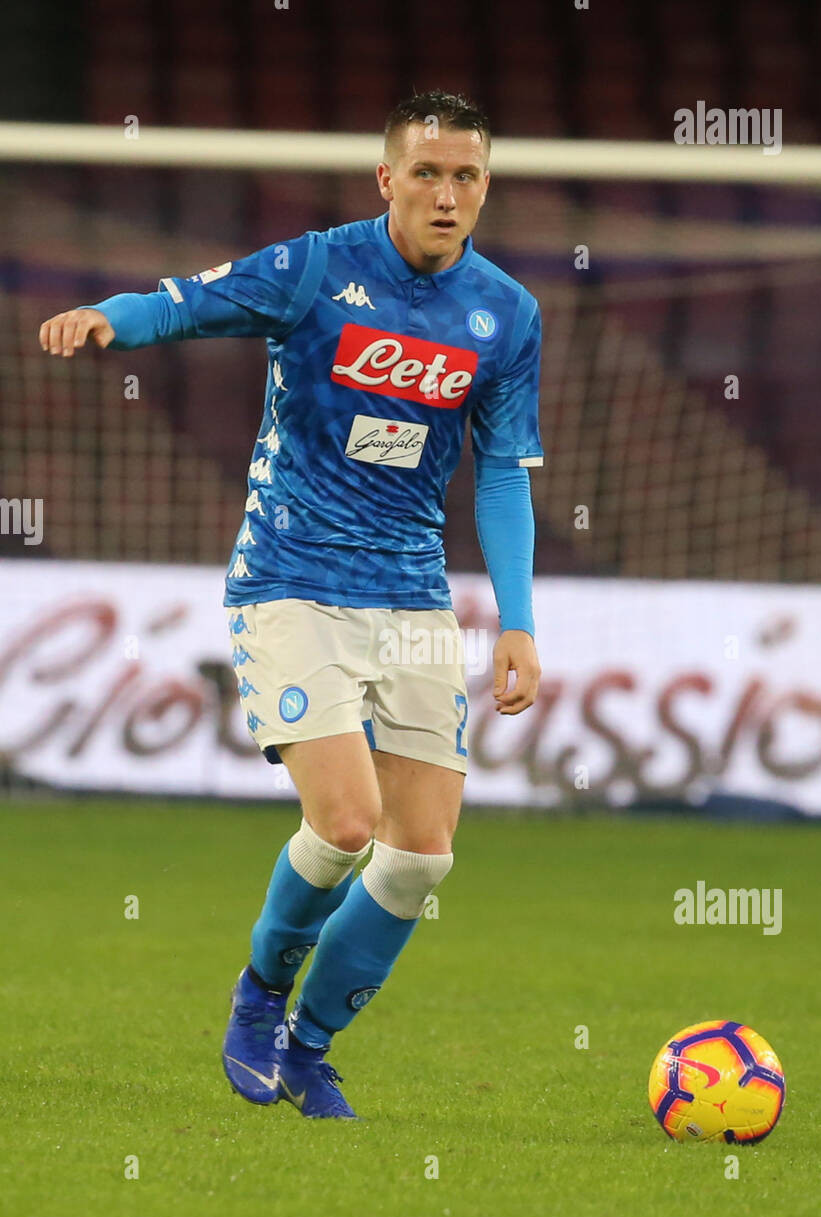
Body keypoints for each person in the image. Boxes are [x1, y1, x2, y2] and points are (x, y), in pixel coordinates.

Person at [38, 90, 544, 1119]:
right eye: (428, 172)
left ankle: (310, 1045)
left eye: (468, 176)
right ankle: (261, 996)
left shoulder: (508, 314)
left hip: (409, 592)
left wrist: (520, 619)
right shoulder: (318, 268)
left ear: (485, 186)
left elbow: (501, 475)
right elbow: (190, 299)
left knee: (422, 858)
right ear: (386, 179)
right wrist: (113, 321)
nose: (448, 193)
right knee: (348, 822)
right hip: (291, 580)